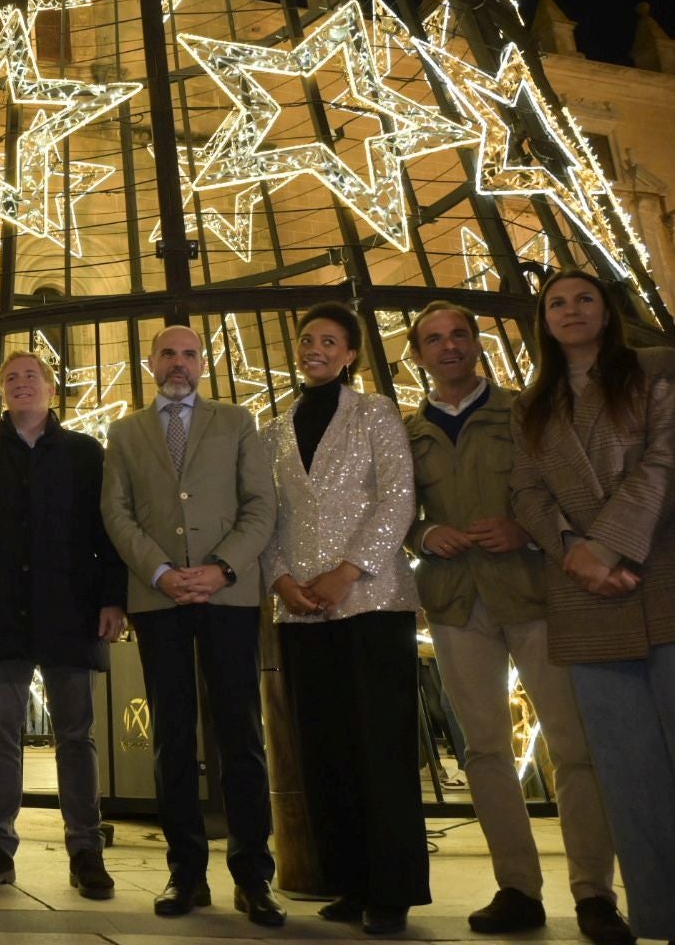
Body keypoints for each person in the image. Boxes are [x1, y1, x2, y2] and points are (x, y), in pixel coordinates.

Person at [405, 299, 631, 943]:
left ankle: (594, 893)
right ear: (417, 355)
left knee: (573, 745)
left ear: (475, 344)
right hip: (454, 602)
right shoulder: (407, 430)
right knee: (482, 750)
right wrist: (426, 534)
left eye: (458, 335)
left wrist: (525, 531)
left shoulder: (529, 412)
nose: (448, 347)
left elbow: (564, 493)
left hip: (534, 594)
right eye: (433, 339)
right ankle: (517, 889)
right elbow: (396, 512)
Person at [510, 270, 675, 944]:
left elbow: (664, 460)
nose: (571, 310)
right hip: (584, 594)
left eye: (583, 299)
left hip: (659, 574)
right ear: (543, 321)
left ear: (607, 311)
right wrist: (576, 550)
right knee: (625, 768)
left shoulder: (655, 369)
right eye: (556, 303)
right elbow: (525, 493)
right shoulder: (532, 405)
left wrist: (607, 546)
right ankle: (661, 914)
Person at [101, 325, 281, 925]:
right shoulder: (124, 432)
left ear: (204, 364)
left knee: (241, 736)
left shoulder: (237, 422)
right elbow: (115, 510)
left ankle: (254, 875)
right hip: (161, 603)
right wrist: (157, 572)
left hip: (227, 597)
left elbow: (261, 504)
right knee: (171, 736)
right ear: (149, 362)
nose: (179, 364)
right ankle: (186, 873)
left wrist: (222, 568)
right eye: (168, 354)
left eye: (190, 354)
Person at [262, 301, 428, 935]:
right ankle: (350, 881)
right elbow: (269, 514)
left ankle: (391, 889)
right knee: (324, 750)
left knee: (381, 750)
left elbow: (398, 497)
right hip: (301, 608)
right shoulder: (276, 427)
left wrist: (346, 571)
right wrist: (281, 578)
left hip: (371, 600)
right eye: (307, 339)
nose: (315, 349)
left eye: (329, 341)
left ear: (351, 353)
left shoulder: (376, 413)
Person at [0, 351, 124, 900]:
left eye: (32, 377)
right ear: (1, 391)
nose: (21, 384)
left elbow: (108, 530)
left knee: (76, 735)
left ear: (51, 388)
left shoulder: (85, 454)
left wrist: (113, 599)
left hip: (69, 610)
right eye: (11, 378)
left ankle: (84, 848)